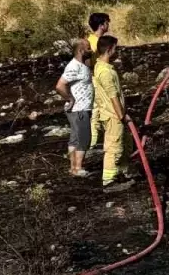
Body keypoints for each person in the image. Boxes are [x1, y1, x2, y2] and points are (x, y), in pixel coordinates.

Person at [93, 35, 131, 188]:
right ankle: (109, 181)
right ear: (109, 50)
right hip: (113, 116)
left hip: (114, 114)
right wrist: (121, 115)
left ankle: (122, 172)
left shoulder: (102, 67)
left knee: (125, 144)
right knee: (113, 148)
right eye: (116, 48)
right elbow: (112, 95)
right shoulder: (105, 72)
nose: (118, 51)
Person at [55, 39, 94, 177]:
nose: (91, 50)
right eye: (88, 48)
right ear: (80, 50)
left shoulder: (83, 65)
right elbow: (60, 85)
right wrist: (70, 98)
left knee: (75, 138)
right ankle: (78, 167)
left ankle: (73, 167)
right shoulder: (74, 66)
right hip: (79, 108)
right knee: (84, 138)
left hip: (81, 108)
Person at [86, 13, 111, 149]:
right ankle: (93, 142)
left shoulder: (91, 40)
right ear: (102, 25)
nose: (108, 25)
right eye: (107, 22)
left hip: (99, 78)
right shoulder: (94, 43)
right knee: (97, 111)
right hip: (97, 80)